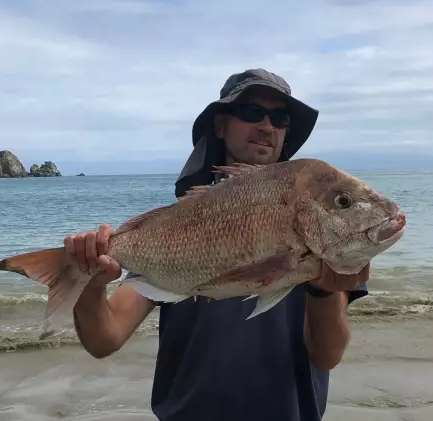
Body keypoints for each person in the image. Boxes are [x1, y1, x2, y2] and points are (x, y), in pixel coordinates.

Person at [65, 68, 370, 421]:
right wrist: (88, 283)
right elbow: (105, 338)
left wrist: (322, 292)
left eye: (280, 117)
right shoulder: (179, 224)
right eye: (252, 112)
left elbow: (326, 355)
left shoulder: (321, 216)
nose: (267, 126)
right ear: (221, 126)